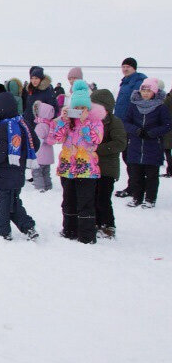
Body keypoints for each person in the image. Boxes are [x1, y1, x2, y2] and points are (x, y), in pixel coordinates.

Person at [0, 92, 39, 241]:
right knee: (13, 203)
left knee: (2, 206)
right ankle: (28, 227)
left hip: (1, 176)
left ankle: (2, 233)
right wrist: (21, 156)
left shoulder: (3, 129)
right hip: (17, 174)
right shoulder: (23, 124)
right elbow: (35, 144)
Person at [48, 80, 103, 244]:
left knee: (85, 202)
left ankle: (86, 236)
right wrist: (63, 120)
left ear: (88, 108)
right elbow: (56, 138)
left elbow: (95, 140)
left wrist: (85, 123)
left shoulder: (95, 122)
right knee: (68, 200)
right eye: (76, 108)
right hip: (67, 168)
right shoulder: (68, 122)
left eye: (82, 108)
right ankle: (69, 230)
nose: (79, 111)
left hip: (87, 169)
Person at [121, 78, 171, 208]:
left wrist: (152, 132)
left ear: (154, 92)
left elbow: (167, 125)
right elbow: (126, 122)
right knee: (136, 174)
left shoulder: (161, 107)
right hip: (135, 145)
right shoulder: (133, 105)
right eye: (143, 90)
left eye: (149, 90)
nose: (145, 93)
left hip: (153, 146)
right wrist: (136, 130)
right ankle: (137, 197)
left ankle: (150, 199)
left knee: (152, 175)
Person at [90, 88, 127, 239]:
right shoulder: (91, 121)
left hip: (107, 168)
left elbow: (120, 143)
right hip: (92, 166)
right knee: (92, 196)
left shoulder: (114, 122)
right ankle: (96, 222)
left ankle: (108, 224)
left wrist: (97, 149)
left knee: (103, 198)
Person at [114, 58, 148, 197]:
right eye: (123, 66)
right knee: (127, 156)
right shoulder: (125, 82)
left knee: (131, 157)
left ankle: (136, 187)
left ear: (134, 68)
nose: (125, 69)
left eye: (128, 66)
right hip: (122, 125)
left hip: (132, 125)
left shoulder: (139, 82)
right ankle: (134, 185)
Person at [22, 66, 57, 189]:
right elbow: (28, 108)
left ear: (41, 78)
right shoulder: (30, 90)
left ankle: (42, 181)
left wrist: (46, 122)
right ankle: (38, 177)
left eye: (36, 78)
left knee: (39, 151)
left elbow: (53, 109)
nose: (34, 80)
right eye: (32, 78)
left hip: (41, 125)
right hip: (31, 123)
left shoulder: (47, 91)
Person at [31, 101, 56, 192]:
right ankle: (48, 186)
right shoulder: (50, 124)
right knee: (46, 172)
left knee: (37, 172)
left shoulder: (41, 126)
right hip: (48, 155)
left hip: (40, 154)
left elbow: (37, 140)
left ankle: (40, 188)